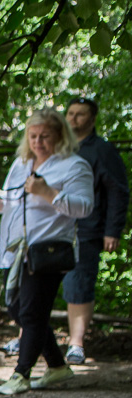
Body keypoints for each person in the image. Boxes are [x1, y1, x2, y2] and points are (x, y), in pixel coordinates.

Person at [0, 107, 93, 396]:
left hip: (47, 252)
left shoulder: (74, 166)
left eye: (45, 136)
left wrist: (48, 192)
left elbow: (84, 207)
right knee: (20, 311)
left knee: (31, 313)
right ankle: (56, 366)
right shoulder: (20, 164)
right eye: (33, 136)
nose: (38, 142)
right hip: (14, 253)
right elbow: (11, 205)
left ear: (60, 136)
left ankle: (21, 374)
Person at [63, 98, 129, 364]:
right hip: (53, 228)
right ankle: (26, 338)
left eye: (80, 115)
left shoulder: (102, 150)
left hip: (87, 229)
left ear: (92, 119)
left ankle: (76, 344)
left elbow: (118, 191)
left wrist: (112, 230)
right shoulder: (57, 147)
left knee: (79, 284)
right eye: (70, 113)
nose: (74, 119)